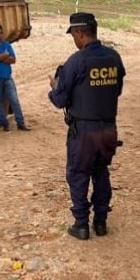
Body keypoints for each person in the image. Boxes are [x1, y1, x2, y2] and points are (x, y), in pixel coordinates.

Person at [48, 13, 126, 241]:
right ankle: (100, 222)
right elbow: (117, 90)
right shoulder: (114, 57)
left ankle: (81, 225)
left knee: (78, 174)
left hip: (84, 133)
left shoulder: (77, 61)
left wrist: (54, 87)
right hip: (109, 130)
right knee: (101, 172)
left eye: (73, 34)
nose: (74, 39)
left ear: (80, 33)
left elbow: (59, 100)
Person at [0, 23, 30, 131]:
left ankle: (20, 123)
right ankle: (4, 124)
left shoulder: (6, 44)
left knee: (14, 100)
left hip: (7, 77)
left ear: (2, 34)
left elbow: (13, 60)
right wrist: (4, 55)